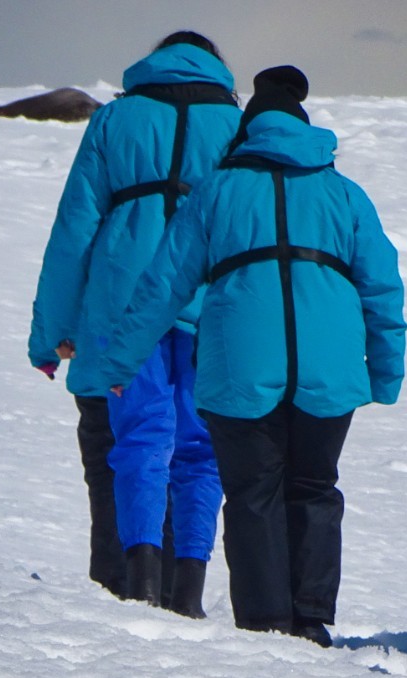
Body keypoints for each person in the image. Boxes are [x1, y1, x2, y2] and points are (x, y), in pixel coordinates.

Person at [70, 68, 405, 645]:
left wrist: (117, 364)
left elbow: (163, 288)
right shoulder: (346, 195)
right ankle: (311, 619)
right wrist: (386, 371)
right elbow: (382, 289)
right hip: (329, 370)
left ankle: (265, 621)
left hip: (240, 368)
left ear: (246, 133)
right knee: (315, 487)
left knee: (254, 492)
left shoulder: (218, 191)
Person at [29, 32, 241, 615]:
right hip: (205, 303)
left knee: (117, 444)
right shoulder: (237, 127)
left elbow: (73, 233)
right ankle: (184, 596)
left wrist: (50, 333)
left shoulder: (114, 121)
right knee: (198, 451)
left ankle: (119, 587)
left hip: (117, 310)